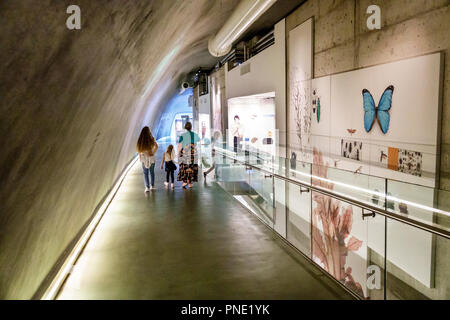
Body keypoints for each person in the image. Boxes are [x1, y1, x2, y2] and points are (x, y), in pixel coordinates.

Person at [177, 122, 200, 189]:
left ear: (185, 127)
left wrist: (178, 154)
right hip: (193, 153)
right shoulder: (194, 135)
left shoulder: (182, 136)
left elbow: (179, 146)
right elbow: (198, 140)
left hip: (185, 153)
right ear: (191, 127)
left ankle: (185, 181)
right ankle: (190, 182)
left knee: (185, 167)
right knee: (192, 167)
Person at [137, 126, 158, 193]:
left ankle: (147, 187)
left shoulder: (140, 140)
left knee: (145, 173)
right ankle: (152, 186)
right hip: (151, 158)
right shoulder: (151, 139)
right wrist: (152, 152)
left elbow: (139, 150)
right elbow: (156, 146)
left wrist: (141, 156)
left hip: (144, 158)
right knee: (152, 172)